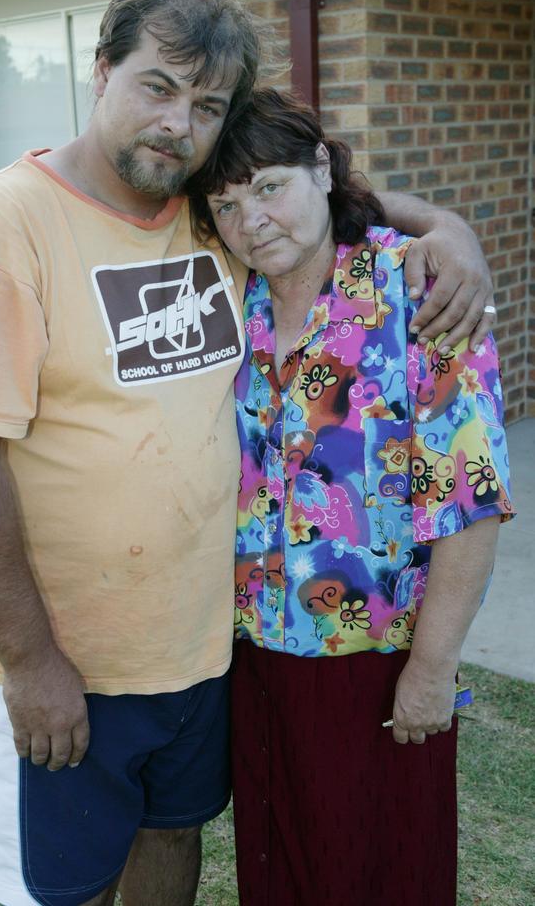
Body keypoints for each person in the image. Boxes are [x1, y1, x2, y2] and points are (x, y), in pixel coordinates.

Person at [0, 0, 496, 906]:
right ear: (101, 72)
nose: (179, 123)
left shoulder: (201, 220)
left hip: (207, 651)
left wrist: (446, 227)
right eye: (158, 87)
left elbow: (310, 205)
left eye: (207, 104)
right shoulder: (0, 228)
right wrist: (31, 662)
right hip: (75, 664)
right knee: (62, 886)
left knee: (175, 844)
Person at [188, 87, 514, 906]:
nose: (250, 220)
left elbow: (468, 509)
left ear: (322, 169)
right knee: (278, 870)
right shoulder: (233, 302)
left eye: (269, 187)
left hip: (375, 668)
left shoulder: (421, 297)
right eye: (226, 204)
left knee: (380, 872)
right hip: (257, 659)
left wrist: (433, 671)